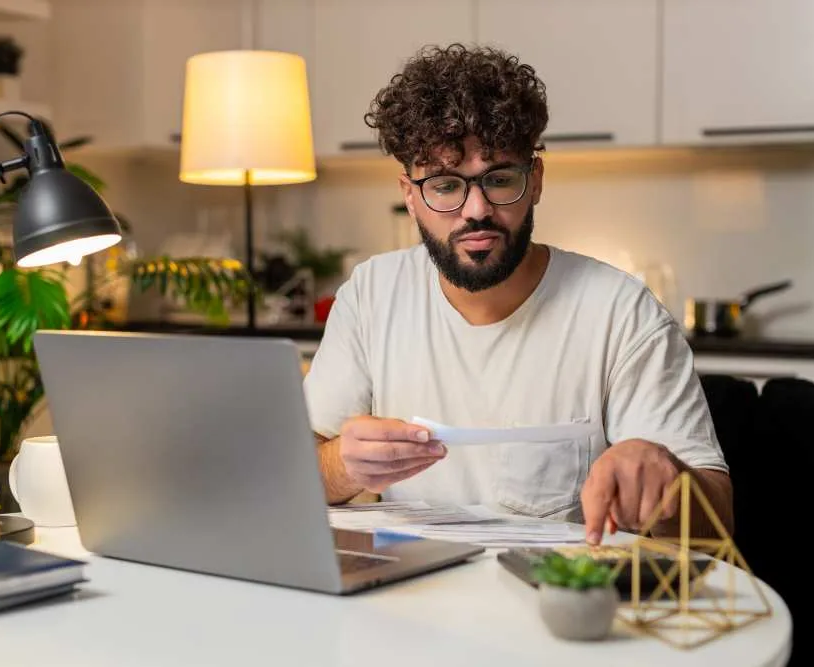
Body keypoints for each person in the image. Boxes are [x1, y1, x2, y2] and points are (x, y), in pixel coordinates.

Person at [302, 43, 733, 545]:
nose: (477, 210)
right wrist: (343, 465)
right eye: (444, 186)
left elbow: (718, 527)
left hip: (555, 606)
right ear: (409, 195)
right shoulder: (372, 295)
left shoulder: (621, 314)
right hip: (410, 597)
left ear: (537, 181)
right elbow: (294, 475)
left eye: (500, 178)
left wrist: (668, 482)